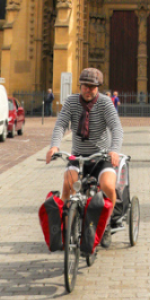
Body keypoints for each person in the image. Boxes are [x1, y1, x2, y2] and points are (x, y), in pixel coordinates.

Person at [46, 68, 123, 234]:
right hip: (79, 156)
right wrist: (54, 146)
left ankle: (108, 224)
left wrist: (114, 150)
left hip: (101, 157)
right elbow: (61, 124)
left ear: (98, 87)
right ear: (80, 86)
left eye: (92, 86)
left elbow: (116, 127)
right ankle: (66, 232)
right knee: (68, 185)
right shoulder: (71, 102)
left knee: (108, 186)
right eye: (85, 86)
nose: (88, 90)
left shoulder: (105, 103)